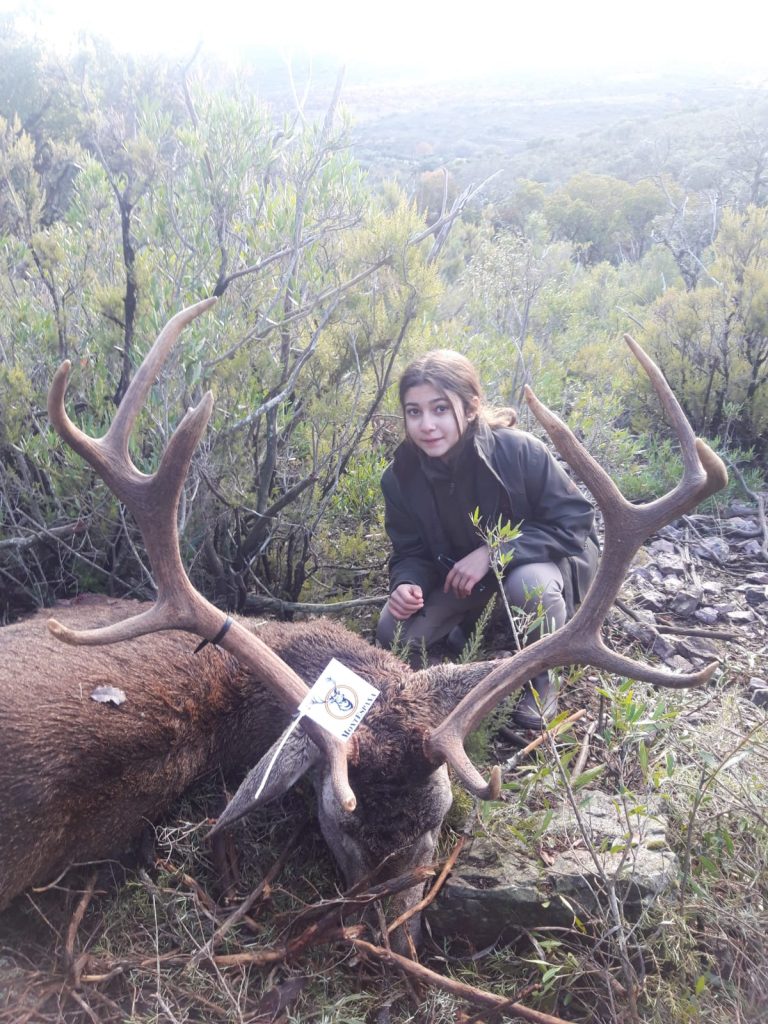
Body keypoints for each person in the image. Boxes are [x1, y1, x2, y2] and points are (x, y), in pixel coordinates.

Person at [376, 349, 599, 730]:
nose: (426, 424)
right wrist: (407, 583)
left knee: (528, 586)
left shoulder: (519, 451)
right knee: (392, 628)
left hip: (539, 563)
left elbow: (574, 523)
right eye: (414, 412)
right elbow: (410, 550)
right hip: (465, 579)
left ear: (471, 407)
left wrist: (494, 553)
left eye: (440, 409)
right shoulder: (400, 476)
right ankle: (464, 656)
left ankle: (542, 679)